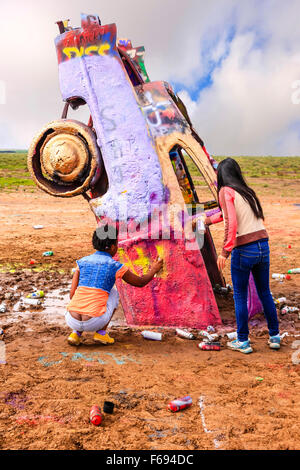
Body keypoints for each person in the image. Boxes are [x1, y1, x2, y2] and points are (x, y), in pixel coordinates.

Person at [203, 158, 280, 354]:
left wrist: (224, 252)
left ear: (221, 175)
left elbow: (232, 223)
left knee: (239, 295)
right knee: (265, 293)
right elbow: (227, 214)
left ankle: (243, 341)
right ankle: (275, 336)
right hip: (263, 245)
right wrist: (206, 220)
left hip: (244, 249)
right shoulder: (247, 192)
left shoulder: (225, 191)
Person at [65, 224, 163, 346]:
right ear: (112, 247)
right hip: (94, 321)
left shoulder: (82, 262)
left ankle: (76, 333)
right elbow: (140, 282)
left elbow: (72, 295)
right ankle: (101, 333)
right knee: (114, 293)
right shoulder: (115, 266)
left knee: (82, 294)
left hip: (71, 319)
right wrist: (154, 269)